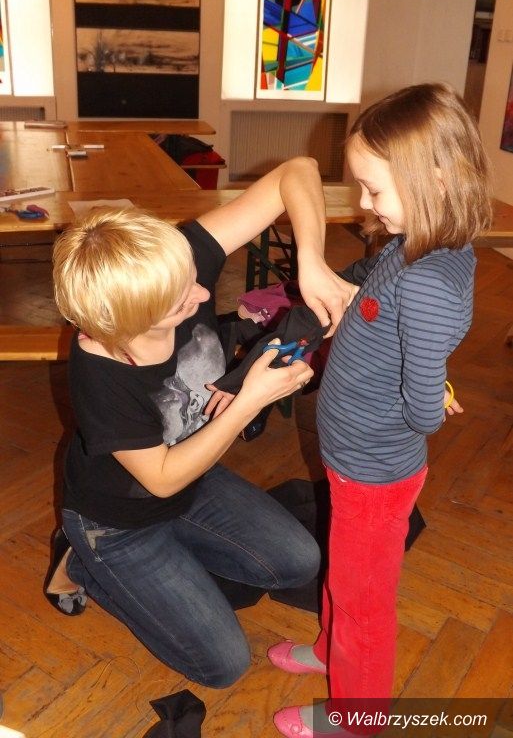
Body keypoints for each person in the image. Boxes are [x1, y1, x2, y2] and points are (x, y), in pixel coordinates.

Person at [46, 157, 355, 689]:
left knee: (299, 563)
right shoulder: (100, 372)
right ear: (131, 321)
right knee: (222, 666)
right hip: (118, 524)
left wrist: (311, 262)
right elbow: (162, 478)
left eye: (191, 278)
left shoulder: (166, 269)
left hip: (196, 482)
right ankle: (81, 564)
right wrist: (249, 401)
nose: (204, 296)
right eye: (181, 302)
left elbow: (297, 172)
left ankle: (170, 567)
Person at [267, 83, 493, 737]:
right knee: (343, 573)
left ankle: (356, 717)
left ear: (436, 178)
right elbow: (386, 304)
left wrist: (428, 390)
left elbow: (423, 413)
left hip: (375, 471)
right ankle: (329, 651)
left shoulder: (427, 281)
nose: (364, 204)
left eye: (373, 189)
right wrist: (353, 305)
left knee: (364, 606)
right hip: (353, 459)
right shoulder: (415, 244)